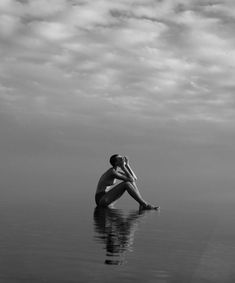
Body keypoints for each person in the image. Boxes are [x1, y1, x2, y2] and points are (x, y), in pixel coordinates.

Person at [95, 154, 159, 210]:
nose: (122, 159)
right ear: (116, 163)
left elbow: (134, 179)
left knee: (130, 182)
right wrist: (123, 167)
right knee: (126, 184)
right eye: (120, 159)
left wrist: (127, 165)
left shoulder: (117, 171)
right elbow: (131, 179)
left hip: (107, 199)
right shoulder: (112, 172)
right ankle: (144, 204)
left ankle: (141, 204)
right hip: (101, 199)